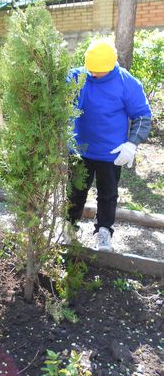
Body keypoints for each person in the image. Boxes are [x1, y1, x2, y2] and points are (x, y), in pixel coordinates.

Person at [66, 39, 152, 251]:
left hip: (110, 153)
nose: (93, 74)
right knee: (75, 192)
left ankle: (104, 231)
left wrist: (131, 144)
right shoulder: (77, 76)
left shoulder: (126, 83)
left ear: (111, 65)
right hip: (80, 149)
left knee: (107, 194)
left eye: (98, 71)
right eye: (90, 69)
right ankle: (69, 228)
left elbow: (142, 116)